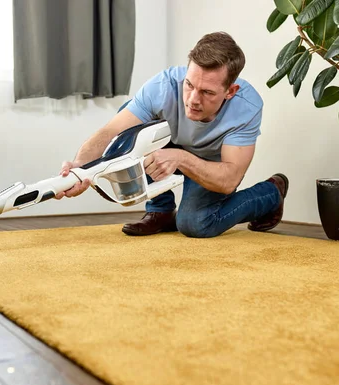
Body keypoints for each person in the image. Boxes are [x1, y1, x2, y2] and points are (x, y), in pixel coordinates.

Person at [56, 32, 289, 238]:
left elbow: (229, 179)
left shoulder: (246, 107)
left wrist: (181, 158)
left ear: (230, 91)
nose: (193, 100)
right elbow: (110, 132)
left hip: (209, 161)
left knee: (195, 224)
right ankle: (161, 210)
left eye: (207, 92)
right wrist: (79, 168)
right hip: (168, 144)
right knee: (127, 129)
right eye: (189, 85)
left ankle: (270, 193)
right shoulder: (163, 86)